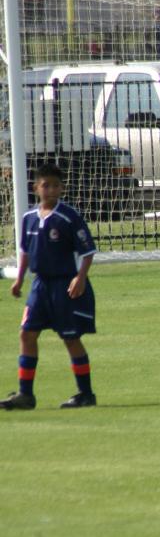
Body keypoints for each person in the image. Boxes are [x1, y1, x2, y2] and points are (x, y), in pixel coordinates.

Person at [1, 164, 99, 411]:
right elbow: (25, 252)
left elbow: (87, 252)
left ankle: (86, 393)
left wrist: (80, 278)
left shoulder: (68, 216)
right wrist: (20, 279)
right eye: (46, 185)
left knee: (70, 338)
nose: (51, 190)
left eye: (56, 185)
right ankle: (25, 394)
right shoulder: (29, 219)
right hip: (39, 286)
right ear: (36, 187)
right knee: (27, 333)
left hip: (64, 285)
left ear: (62, 188)